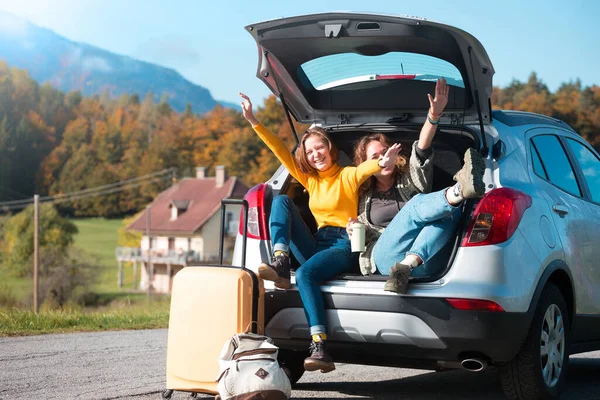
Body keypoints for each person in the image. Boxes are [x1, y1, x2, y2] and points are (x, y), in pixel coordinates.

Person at [238, 92, 400, 374]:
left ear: (329, 147)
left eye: (319, 148)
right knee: (281, 201)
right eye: (310, 151)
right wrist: (253, 121)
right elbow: (280, 151)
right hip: (317, 244)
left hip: (344, 243)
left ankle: (319, 345)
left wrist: (381, 163)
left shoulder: (347, 175)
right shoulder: (310, 180)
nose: (316, 154)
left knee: (305, 274)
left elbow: (366, 168)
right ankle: (280, 259)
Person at [347, 78, 486, 294]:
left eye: (387, 152)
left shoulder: (409, 177)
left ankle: (406, 267)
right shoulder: (362, 196)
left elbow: (422, 147)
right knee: (420, 204)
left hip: (426, 261)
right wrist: (354, 233)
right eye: (376, 156)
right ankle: (459, 190)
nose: (384, 158)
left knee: (451, 214)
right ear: (364, 164)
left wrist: (434, 115)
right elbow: (360, 245)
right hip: (386, 258)